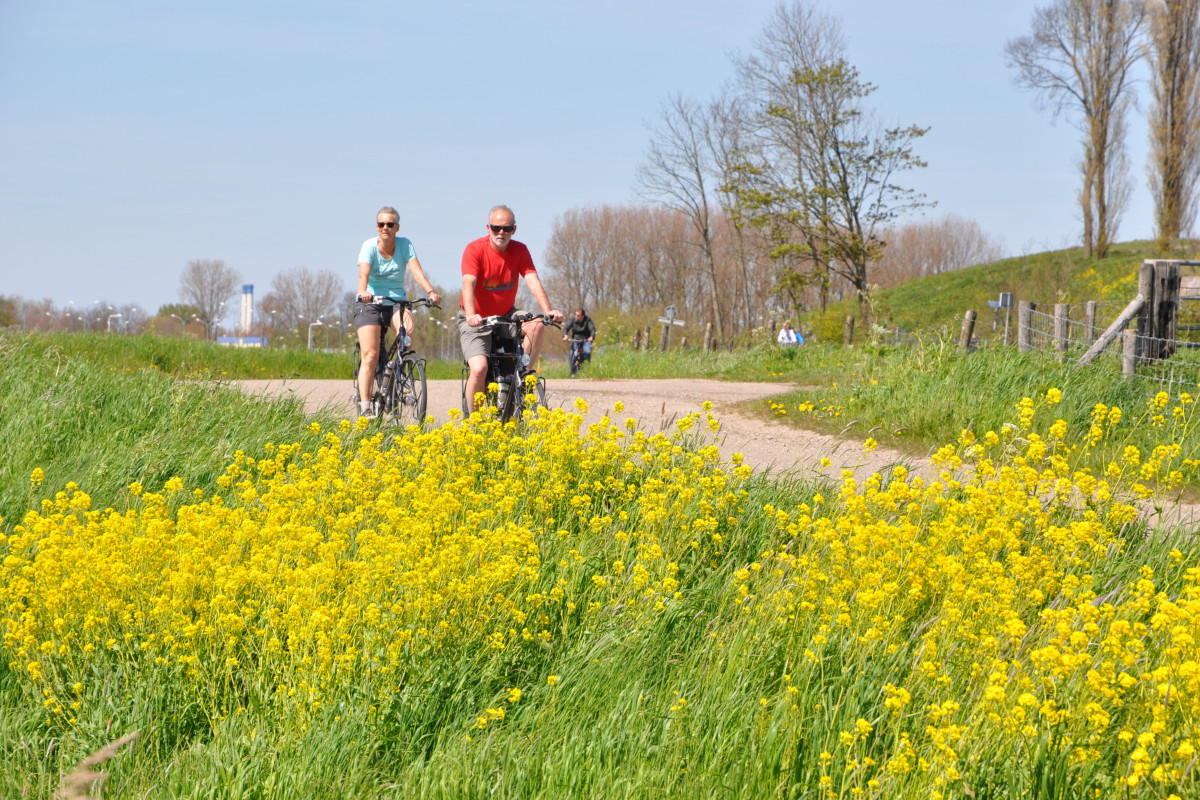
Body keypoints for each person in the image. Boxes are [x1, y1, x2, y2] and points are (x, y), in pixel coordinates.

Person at [459, 205, 563, 412]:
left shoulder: (520, 250)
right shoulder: (475, 249)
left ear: (514, 230)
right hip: (477, 318)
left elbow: (532, 280)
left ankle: (520, 376)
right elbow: (468, 283)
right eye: (496, 228)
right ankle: (473, 424)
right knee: (479, 369)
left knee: (537, 324)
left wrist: (548, 310)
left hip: (507, 314)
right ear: (488, 228)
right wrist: (471, 315)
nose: (501, 233)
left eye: (507, 229)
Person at [354, 206, 440, 418]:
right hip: (371, 301)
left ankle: (399, 375)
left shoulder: (404, 245)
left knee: (408, 331)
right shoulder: (369, 247)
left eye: (390, 224)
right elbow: (363, 273)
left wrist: (430, 291)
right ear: (377, 227)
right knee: (370, 354)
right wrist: (363, 292)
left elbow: (417, 272)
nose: (386, 228)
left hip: (396, 301)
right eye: (382, 224)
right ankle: (365, 407)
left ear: (397, 227)